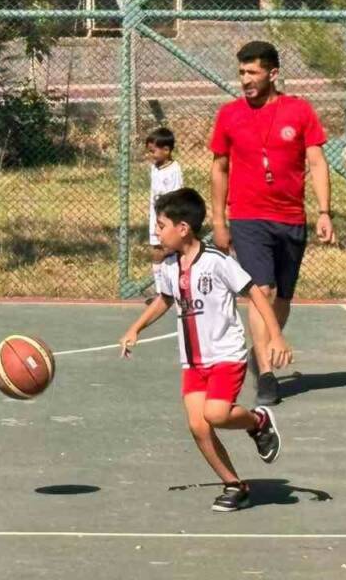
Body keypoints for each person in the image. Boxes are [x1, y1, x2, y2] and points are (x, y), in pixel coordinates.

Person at [119, 188, 291, 513]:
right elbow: (165, 299)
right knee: (199, 426)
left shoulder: (217, 262)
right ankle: (234, 485)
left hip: (225, 354)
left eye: (161, 224)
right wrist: (135, 328)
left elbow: (255, 294)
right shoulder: (169, 266)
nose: (156, 231)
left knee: (216, 414)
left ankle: (258, 422)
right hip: (193, 360)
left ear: (183, 228)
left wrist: (276, 336)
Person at [209, 40, 334, 407]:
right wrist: (219, 221)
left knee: (282, 298)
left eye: (252, 72)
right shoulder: (229, 115)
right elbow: (218, 169)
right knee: (260, 289)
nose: (245, 79)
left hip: (291, 218)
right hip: (248, 217)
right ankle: (266, 373)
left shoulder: (300, 111)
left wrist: (325, 211)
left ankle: (259, 349)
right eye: (241, 72)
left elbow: (317, 163)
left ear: (273, 74)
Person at [145, 126, 183, 300]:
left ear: (166, 150)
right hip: (155, 216)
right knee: (156, 250)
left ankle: (176, 288)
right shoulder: (155, 168)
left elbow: (175, 197)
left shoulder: (174, 170)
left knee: (171, 250)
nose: (151, 155)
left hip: (168, 217)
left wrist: (166, 220)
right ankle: (160, 291)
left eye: (153, 151)